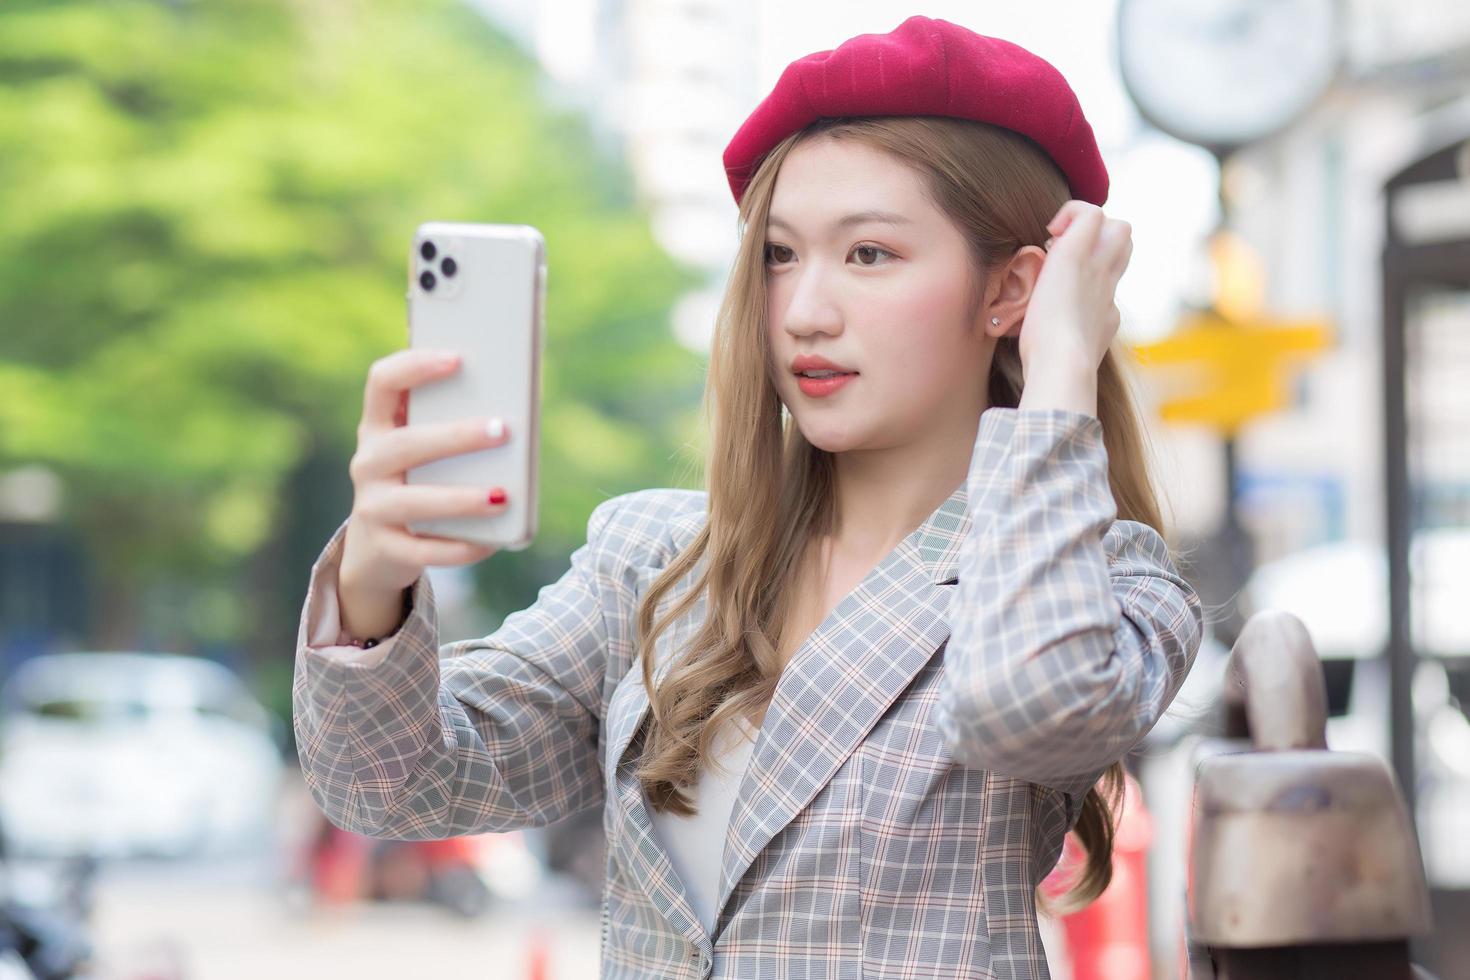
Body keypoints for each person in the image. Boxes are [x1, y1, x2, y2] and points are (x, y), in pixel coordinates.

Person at [292, 14, 1203, 978]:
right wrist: (372, 586)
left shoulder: (1101, 585)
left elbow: (1025, 707)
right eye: (778, 254)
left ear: (1013, 289)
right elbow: (395, 787)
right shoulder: (660, 561)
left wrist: (1062, 367)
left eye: (869, 255)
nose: (804, 311)